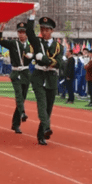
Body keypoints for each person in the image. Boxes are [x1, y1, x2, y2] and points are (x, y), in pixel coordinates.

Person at [24, 10, 63, 145]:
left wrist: (45, 59)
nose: (44, 31)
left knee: (48, 108)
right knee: (42, 103)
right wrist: (32, 15)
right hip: (39, 75)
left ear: (51, 31)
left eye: (46, 29)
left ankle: (41, 134)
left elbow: (60, 63)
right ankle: (46, 128)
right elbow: (29, 32)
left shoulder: (59, 46)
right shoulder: (37, 42)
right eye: (42, 29)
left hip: (51, 77)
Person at [0, 22, 34, 133]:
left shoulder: (31, 45)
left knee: (22, 97)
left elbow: (39, 53)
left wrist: (32, 56)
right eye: (19, 32)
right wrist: (0, 31)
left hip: (26, 73)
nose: (21, 34)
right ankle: (22, 113)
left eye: (23, 32)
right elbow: (0, 41)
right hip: (16, 73)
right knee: (18, 95)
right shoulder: (13, 43)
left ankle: (15, 124)